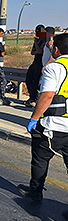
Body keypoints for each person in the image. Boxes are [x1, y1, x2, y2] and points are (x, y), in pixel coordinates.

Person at [18, 33, 68, 202]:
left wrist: (34, 118)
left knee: (40, 158)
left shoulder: (54, 68)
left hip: (53, 124)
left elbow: (46, 96)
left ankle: (35, 192)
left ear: (57, 49)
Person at [25, 24, 47, 106]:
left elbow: (39, 51)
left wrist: (36, 44)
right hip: (35, 62)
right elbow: (33, 52)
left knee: (36, 82)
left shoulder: (44, 41)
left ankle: (34, 99)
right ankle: (31, 97)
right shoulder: (38, 41)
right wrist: (36, 47)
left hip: (41, 63)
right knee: (29, 80)